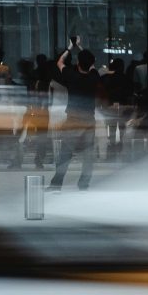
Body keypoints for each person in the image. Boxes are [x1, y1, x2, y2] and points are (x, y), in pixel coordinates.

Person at [48, 43, 100, 192]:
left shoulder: (72, 76)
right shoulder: (93, 77)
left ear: (78, 63)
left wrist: (71, 47)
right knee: (88, 155)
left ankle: (56, 184)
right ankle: (84, 183)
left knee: (65, 153)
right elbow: (91, 64)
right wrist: (81, 46)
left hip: (73, 119)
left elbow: (60, 62)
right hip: (89, 120)